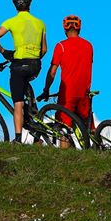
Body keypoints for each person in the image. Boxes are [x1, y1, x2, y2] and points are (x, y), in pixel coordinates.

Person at [0, 0, 47, 143]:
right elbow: (45, 50)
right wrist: (34, 58)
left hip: (19, 65)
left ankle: (18, 138)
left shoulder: (11, 22)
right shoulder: (40, 23)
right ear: (30, 4)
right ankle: (33, 111)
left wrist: (4, 52)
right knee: (26, 82)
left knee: (18, 102)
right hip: (36, 65)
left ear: (15, 5)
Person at [38, 15, 93, 148]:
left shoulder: (61, 46)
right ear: (79, 28)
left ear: (65, 29)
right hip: (85, 92)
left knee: (64, 128)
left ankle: (65, 159)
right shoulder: (89, 46)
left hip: (68, 93)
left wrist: (46, 89)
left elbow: (52, 72)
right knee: (88, 125)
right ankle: (99, 147)